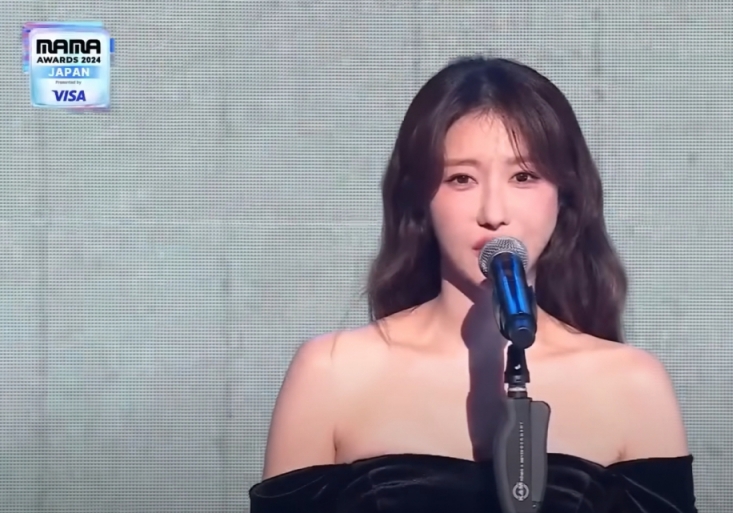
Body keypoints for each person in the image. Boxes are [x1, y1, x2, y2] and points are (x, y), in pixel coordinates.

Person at [248, 56, 698, 513]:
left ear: (564, 195)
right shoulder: (332, 373)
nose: (493, 212)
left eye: (524, 176)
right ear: (420, 199)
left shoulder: (631, 384)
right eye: (461, 179)